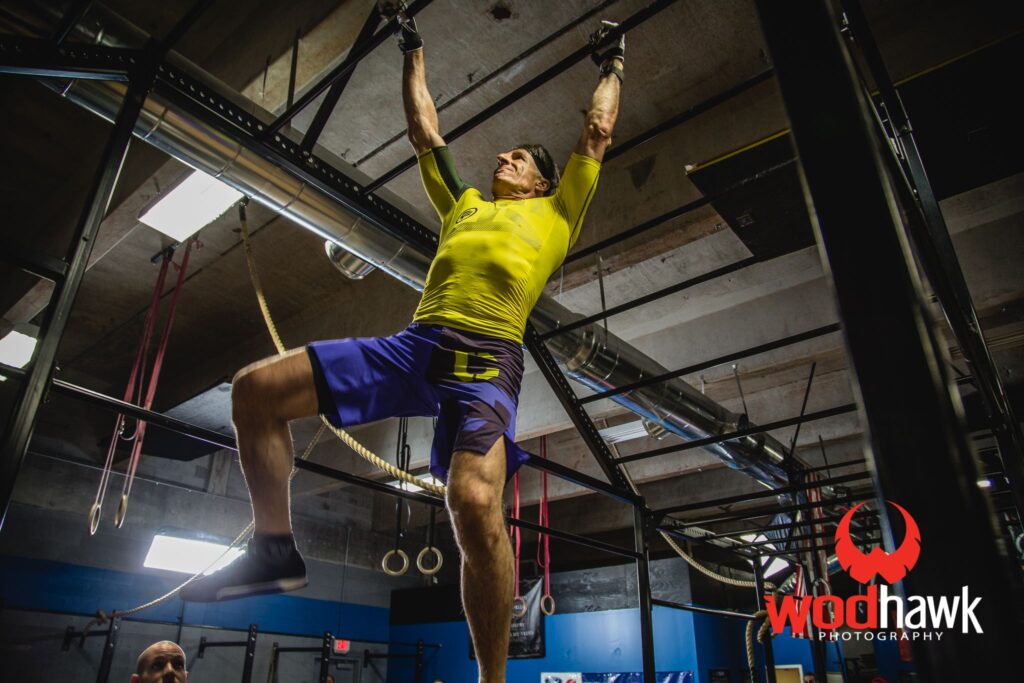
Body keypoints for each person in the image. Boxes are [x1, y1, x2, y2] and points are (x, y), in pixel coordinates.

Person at [180, 5, 623, 682]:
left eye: (518, 157)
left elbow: (596, 132)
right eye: (504, 153)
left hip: (487, 361)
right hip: (416, 347)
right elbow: (424, 131)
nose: (502, 157)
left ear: (540, 180)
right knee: (255, 391)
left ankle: (493, 679)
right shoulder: (464, 206)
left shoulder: (559, 212)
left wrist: (613, 64)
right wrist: (410, 46)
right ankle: (273, 547)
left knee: (472, 502)